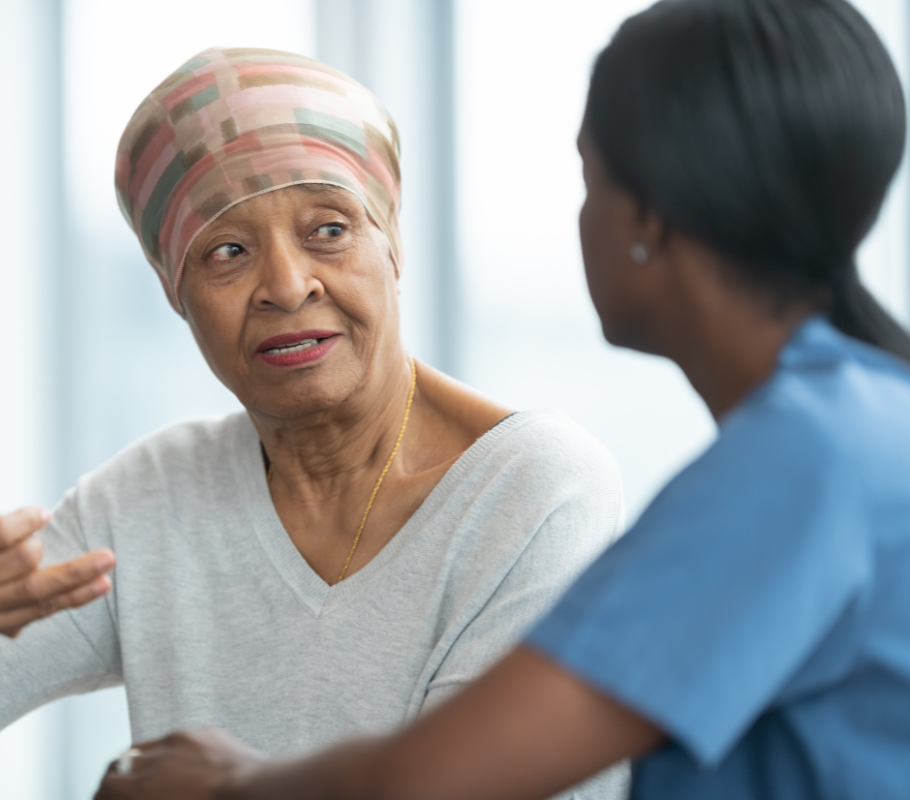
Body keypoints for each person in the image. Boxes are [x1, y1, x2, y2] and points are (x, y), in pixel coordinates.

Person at [92, 2, 910, 799]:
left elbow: (441, 779)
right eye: (228, 251)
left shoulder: (800, 466)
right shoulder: (863, 425)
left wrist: (231, 781)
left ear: (646, 222)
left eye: (590, 179)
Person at [0, 48, 627, 798]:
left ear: (392, 245)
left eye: (328, 230)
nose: (287, 284)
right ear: (175, 294)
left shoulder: (538, 485)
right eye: (226, 251)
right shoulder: (150, 499)